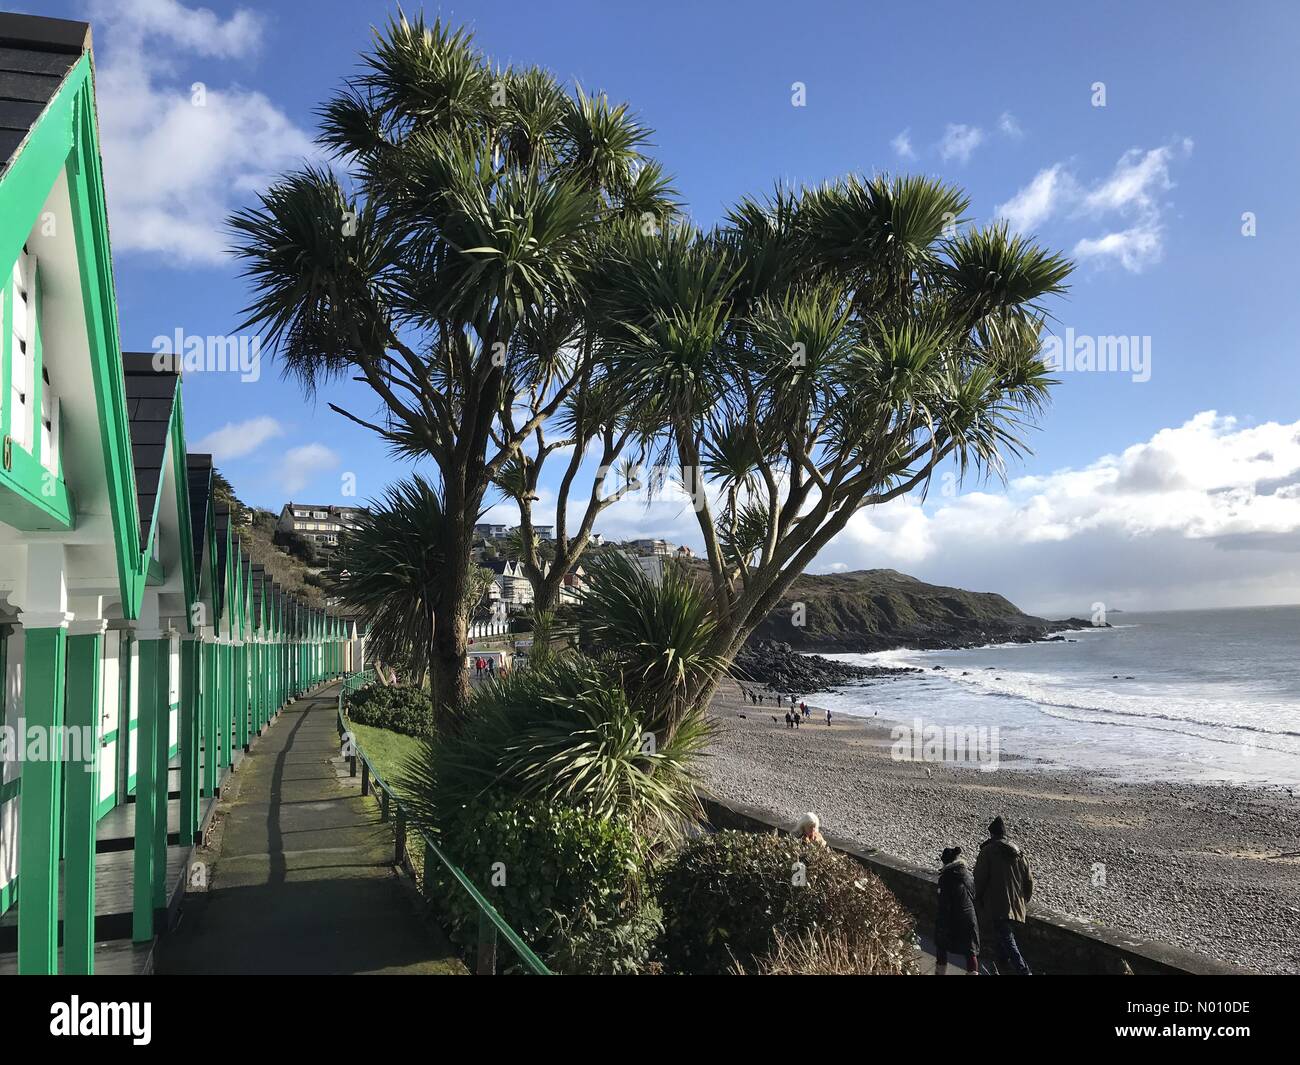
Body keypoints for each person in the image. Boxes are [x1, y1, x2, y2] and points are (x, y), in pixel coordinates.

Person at [973, 816, 1035, 975]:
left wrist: (977, 898)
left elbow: (980, 878)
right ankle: (1002, 965)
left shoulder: (988, 852)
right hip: (1016, 904)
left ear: (992, 834)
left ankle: (1023, 970)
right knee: (1003, 936)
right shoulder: (1019, 853)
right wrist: (1024, 900)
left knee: (1006, 938)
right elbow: (1029, 881)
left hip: (998, 904)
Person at [934, 846, 979, 975]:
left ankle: (940, 973)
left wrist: (941, 924)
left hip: (954, 918)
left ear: (945, 862)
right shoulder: (967, 875)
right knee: (970, 951)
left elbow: (944, 903)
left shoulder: (946, 878)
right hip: (970, 917)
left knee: (941, 944)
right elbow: (973, 895)